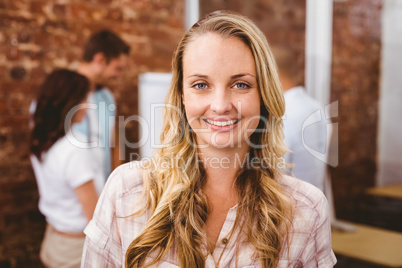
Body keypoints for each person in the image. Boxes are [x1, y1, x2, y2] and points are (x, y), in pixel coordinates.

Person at [81, 11, 336, 267]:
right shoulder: (126, 192)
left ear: (264, 95)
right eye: (201, 85)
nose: (220, 105)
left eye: (241, 85)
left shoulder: (306, 211)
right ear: (182, 95)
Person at [30, 69, 105, 267]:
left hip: (53, 238)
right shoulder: (74, 149)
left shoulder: (41, 140)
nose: (88, 106)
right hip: (76, 249)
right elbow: (95, 218)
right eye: (84, 100)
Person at [74, 30, 130, 180]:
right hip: (70, 198)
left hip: (102, 192)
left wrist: (117, 184)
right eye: (118, 68)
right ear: (100, 59)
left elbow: (114, 144)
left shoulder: (107, 97)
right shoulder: (61, 94)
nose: (119, 76)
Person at [272, 46, 327, 191]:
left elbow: (274, 169)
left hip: (288, 204)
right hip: (312, 196)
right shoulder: (315, 106)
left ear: (272, 74)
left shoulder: (283, 113)